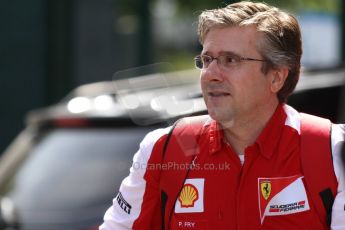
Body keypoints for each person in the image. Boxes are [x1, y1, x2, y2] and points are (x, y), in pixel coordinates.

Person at [100, 1, 345, 229]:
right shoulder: (163, 148)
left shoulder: (331, 150)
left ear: (276, 77)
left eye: (230, 60)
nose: (210, 74)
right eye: (207, 60)